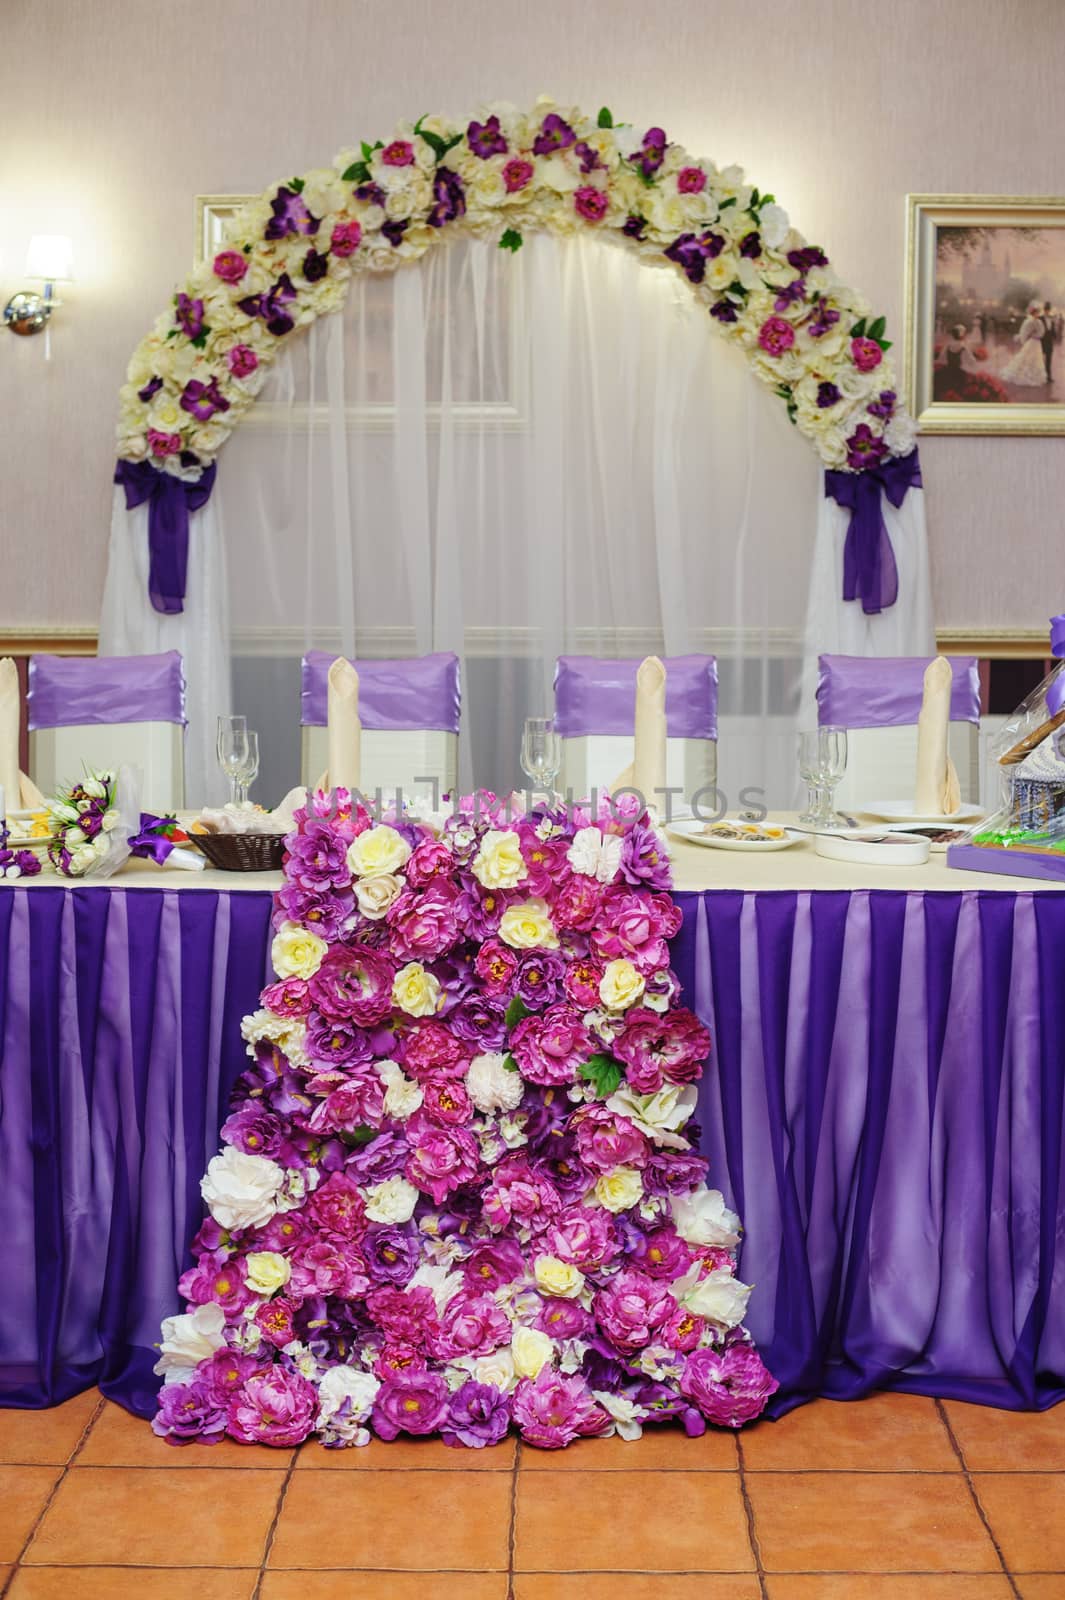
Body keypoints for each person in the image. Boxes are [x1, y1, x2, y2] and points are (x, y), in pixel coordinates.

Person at [1001, 303, 1049, 387]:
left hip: (1037, 343)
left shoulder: (1039, 321)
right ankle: (1021, 373)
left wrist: (1037, 334)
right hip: (1032, 342)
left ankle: (1035, 375)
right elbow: (1025, 331)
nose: (1037, 314)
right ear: (1033, 313)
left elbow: (1042, 332)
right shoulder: (1029, 321)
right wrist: (1029, 335)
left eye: (1038, 312)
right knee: (1027, 357)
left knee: (1036, 358)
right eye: (1036, 312)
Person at [1041, 302, 1056, 383]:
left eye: (1048, 310)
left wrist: (1055, 336)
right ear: (1044, 310)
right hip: (1042, 342)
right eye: (1046, 310)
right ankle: (1040, 375)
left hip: (1050, 342)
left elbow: (1053, 329)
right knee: (1040, 359)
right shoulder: (1040, 318)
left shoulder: (1051, 318)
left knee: (1049, 360)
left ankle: (1048, 377)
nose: (1047, 311)